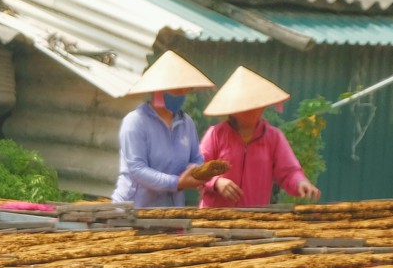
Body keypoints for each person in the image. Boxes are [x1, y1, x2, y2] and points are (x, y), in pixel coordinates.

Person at [198, 66, 321, 209]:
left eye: (255, 105)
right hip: (213, 219)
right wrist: (216, 183)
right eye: (246, 106)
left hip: (255, 220)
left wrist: (301, 182)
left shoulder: (274, 137)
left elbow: (289, 171)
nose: (252, 110)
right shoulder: (215, 134)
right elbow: (198, 170)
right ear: (233, 109)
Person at [111, 51, 222, 209]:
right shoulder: (135, 122)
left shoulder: (186, 123)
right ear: (158, 91)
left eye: (186, 90)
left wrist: (196, 171)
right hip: (133, 209)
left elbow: (196, 158)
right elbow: (137, 169)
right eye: (177, 90)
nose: (182, 95)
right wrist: (177, 183)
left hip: (171, 210)